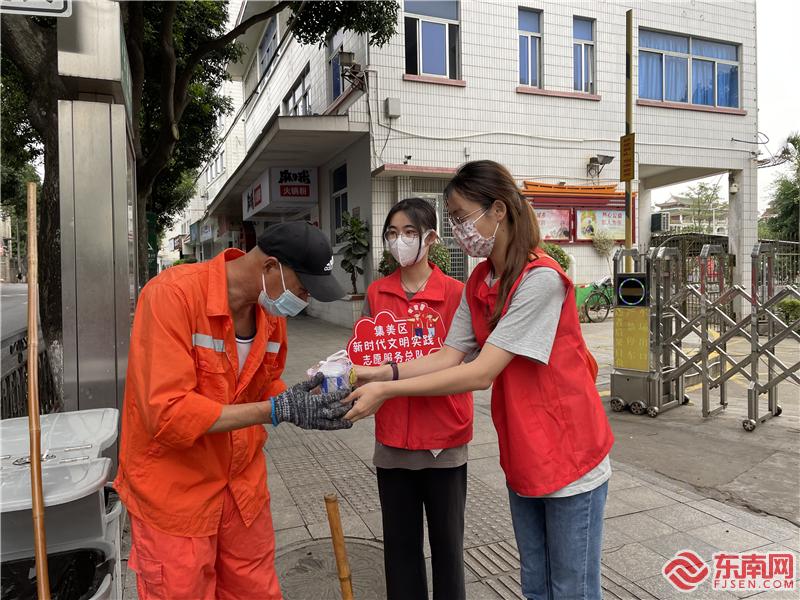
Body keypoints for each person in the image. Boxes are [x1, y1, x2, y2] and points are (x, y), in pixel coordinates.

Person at [346, 161, 614, 600]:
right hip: (525, 451)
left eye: (461, 217)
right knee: (536, 587)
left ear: (498, 210)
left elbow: (480, 372)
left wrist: (386, 390)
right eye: (451, 220)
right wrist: (378, 372)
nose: (457, 231)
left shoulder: (541, 279)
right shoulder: (480, 280)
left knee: (571, 590)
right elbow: (447, 355)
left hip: (570, 452)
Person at [115, 221, 353, 600]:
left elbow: (265, 384)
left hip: (242, 492)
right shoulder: (172, 296)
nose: (305, 298)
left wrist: (302, 402)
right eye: (303, 287)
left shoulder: (270, 315)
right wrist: (276, 409)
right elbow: (168, 413)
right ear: (271, 267)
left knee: (255, 591)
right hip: (177, 494)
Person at [360, 198, 473, 600]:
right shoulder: (377, 293)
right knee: (400, 548)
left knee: (448, 548)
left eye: (409, 232)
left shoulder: (458, 294)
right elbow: (365, 354)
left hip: (444, 442)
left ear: (431, 238)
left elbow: (468, 364)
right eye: (392, 233)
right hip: (393, 442)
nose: (400, 240)